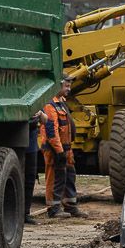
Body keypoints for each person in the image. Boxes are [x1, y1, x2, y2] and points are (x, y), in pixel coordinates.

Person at [40, 77, 88, 219]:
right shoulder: (50, 105)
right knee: (55, 178)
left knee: (69, 176)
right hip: (55, 149)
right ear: (57, 86)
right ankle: (53, 209)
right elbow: (51, 131)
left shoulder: (61, 103)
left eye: (69, 86)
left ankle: (71, 206)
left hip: (66, 148)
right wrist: (59, 151)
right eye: (66, 86)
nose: (69, 89)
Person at [23, 111, 45, 225]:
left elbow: (45, 120)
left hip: (32, 147)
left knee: (30, 180)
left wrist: (40, 114)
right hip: (19, 146)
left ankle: (25, 213)